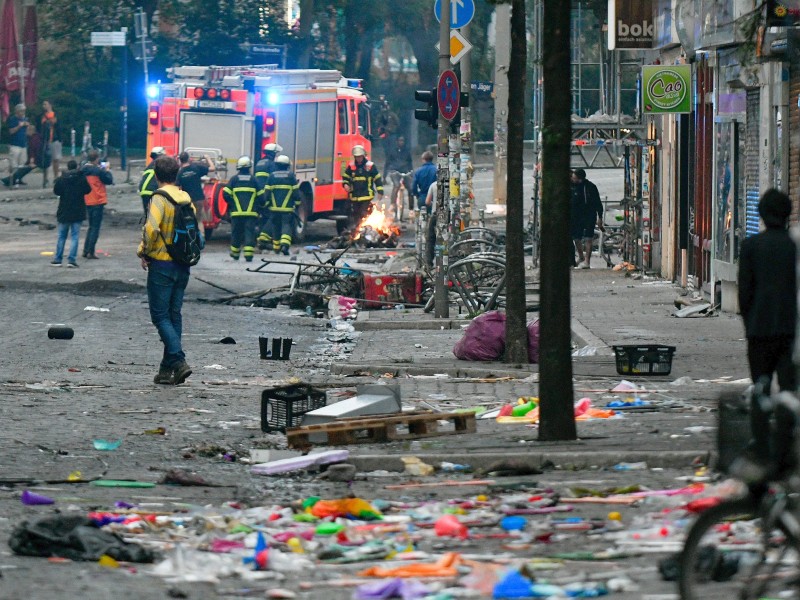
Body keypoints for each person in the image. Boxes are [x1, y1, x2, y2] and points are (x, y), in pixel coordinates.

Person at [738, 189, 797, 470]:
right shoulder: (793, 247)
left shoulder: (751, 246)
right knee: (788, 390)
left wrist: (750, 323)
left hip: (760, 329)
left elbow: (745, 291)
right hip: (790, 330)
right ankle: (785, 447)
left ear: (760, 215)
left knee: (760, 386)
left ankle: (761, 444)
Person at [137, 155, 195, 386]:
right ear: (177, 174)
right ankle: (166, 370)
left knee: (160, 316)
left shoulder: (159, 198)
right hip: (183, 263)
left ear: (157, 175)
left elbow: (151, 229)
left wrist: (144, 252)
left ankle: (179, 361)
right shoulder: (185, 197)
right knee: (174, 315)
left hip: (162, 263)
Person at [50, 160, 91, 268]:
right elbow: (88, 190)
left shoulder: (62, 179)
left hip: (64, 210)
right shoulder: (81, 178)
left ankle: (58, 259)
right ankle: (71, 260)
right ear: (77, 166)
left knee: (61, 236)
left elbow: (56, 191)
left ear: (67, 167)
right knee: (75, 236)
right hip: (78, 210)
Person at [223, 156, 261, 262]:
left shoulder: (234, 179)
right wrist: (259, 206)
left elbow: (225, 193)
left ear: (238, 167)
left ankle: (235, 254)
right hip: (251, 214)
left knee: (236, 232)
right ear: (249, 167)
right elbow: (261, 196)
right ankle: (248, 255)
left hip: (236, 213)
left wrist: (232, 203)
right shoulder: (254, 180)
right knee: (249, 232)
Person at [264, 155, 300, 256]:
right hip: (287, 209)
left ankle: (276, 248)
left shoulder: (271, 176)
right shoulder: (291, 176)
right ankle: (285, 245)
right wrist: (297, 204)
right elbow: (296, 193)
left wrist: (265, 204)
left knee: (276, 226)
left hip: (274, 209)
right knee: (286, 225)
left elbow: (266, 193)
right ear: (287, 165)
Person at [81, 149, 114, 260]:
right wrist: (107, 170)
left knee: (90, 227)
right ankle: (91, 251)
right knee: (95, 227)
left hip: (87, 200)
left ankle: (85, 250)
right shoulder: (99, 171)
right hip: (97, 200)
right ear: (97, 159)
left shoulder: (83, 169)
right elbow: (109, 180)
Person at [342, 145, 383, 232]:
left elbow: (377, 178)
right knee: (355, 215)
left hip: (366, 196)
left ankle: (363, 231)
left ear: (363, 155)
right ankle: (358, 231)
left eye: (360, 156)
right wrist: (346, 184)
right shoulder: (351, 166)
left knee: (363, 214)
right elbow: (346, 177)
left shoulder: (370, 166)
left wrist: (380, 191)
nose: (358, 159)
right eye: (356, 157)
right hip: (355, 196)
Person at [570, 168, 604, 269]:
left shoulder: (590, 187)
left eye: (574, 177)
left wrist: (600, 217)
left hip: (589, 215)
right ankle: (581, 256)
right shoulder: (573, 187)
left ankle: (587, 261)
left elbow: (598, 203)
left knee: (589, 238)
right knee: (576, 237)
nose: (572, 179)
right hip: (577, 216)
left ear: (579, 178)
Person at [255, 143, 283, 249]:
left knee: (263, 217)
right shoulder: (271, 164)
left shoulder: (259, 163)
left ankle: (261, 239)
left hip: (258, 195)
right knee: (271, 217)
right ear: (273, 153)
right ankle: (264, 239)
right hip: (267, 194)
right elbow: (274, 178)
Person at [384, 136, 413, 218]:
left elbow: (410, 163)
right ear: (397, 141)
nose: (401, 142)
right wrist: (384, 176)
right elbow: (387, 164)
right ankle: (393, 205)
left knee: (410, 188)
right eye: (400, 140)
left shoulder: (407, 151)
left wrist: (411, 173)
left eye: (403, 140)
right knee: (396, 185)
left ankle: (411, 209)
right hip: (394, 171)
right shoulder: (392, 151)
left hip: (405, 171)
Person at [5, 104, 29, 184]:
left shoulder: (25, 119)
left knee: (22, 164)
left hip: (23, 144)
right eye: (22, 111)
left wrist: (28, 127)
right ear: (17, 111)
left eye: (24, 111)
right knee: (14, 164)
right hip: (15, 144)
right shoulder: (13, 119)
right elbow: (11, 131)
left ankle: (18, 179)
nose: (23, 112)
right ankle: (12, 180)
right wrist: (19, 126)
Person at [139, 147, 166, 216]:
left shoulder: (151, 165)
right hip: (151, 190)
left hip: (144, 190)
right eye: (164, 155)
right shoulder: (159, 163)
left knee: (148, 214)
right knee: (156, 214)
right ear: (159, 155)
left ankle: (147, 225)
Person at [40, 100, 62, 181]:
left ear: (50, 105)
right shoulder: (42, 115)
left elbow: (59, 126)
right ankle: (45, 178)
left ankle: (56, 176)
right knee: (45, 160)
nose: (43, 106)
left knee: (55, 159)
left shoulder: (56, 115)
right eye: (43, 104)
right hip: (45, 140)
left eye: (45, 104)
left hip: (54, 139)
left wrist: (60, 138)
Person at [412, 151, 437, 215]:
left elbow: (413, 187)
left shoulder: (418, 171)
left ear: (423, 160)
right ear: (432, 159)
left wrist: (417, 195)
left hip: (422, 198)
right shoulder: (436, 170)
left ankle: (420, 223)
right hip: (433, 199)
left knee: (421, 214)